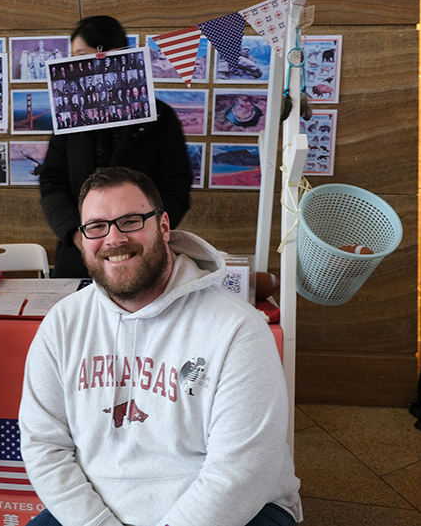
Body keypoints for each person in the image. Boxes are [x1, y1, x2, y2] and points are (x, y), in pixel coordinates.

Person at [19, 167, 302, 526]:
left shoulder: (237, 328)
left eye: (130, 221)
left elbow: (243, 469)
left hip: (234, 509)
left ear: (164, 226)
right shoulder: (62, 323)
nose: (114, 238)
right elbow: (44, 446)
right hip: (99, 509)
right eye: (97, 226)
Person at [38, 15, 191, 278]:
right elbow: (52, 180)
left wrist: (143, 233)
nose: (76, 63)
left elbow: (176, 186)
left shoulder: (159, 116)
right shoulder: (71, 115)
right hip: (81, 251)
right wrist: (77, 233)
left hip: (143, 253)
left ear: (112, 54)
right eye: (74, 55)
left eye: (84, 54)